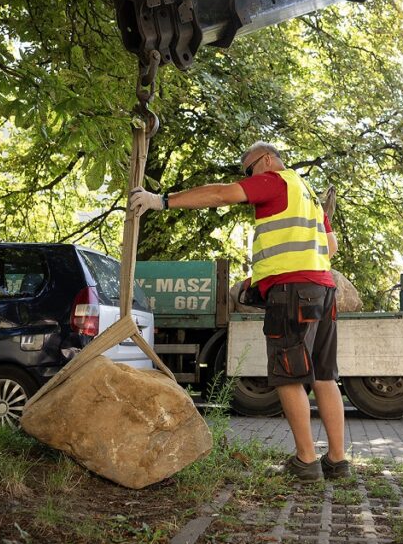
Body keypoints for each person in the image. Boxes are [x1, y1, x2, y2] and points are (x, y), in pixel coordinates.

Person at [129, 141, 349, 482]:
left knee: (289, 376)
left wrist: (161, 201)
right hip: (323, 290)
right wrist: (265, 275)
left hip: (292, 293)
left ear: (265, 160)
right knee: (324, 376)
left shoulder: (275, 180)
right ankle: (337, 460)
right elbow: (329, 247)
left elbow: (219, 195)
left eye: (248, 171)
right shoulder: (306, 194)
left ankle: (306, 461)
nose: (247, 177)